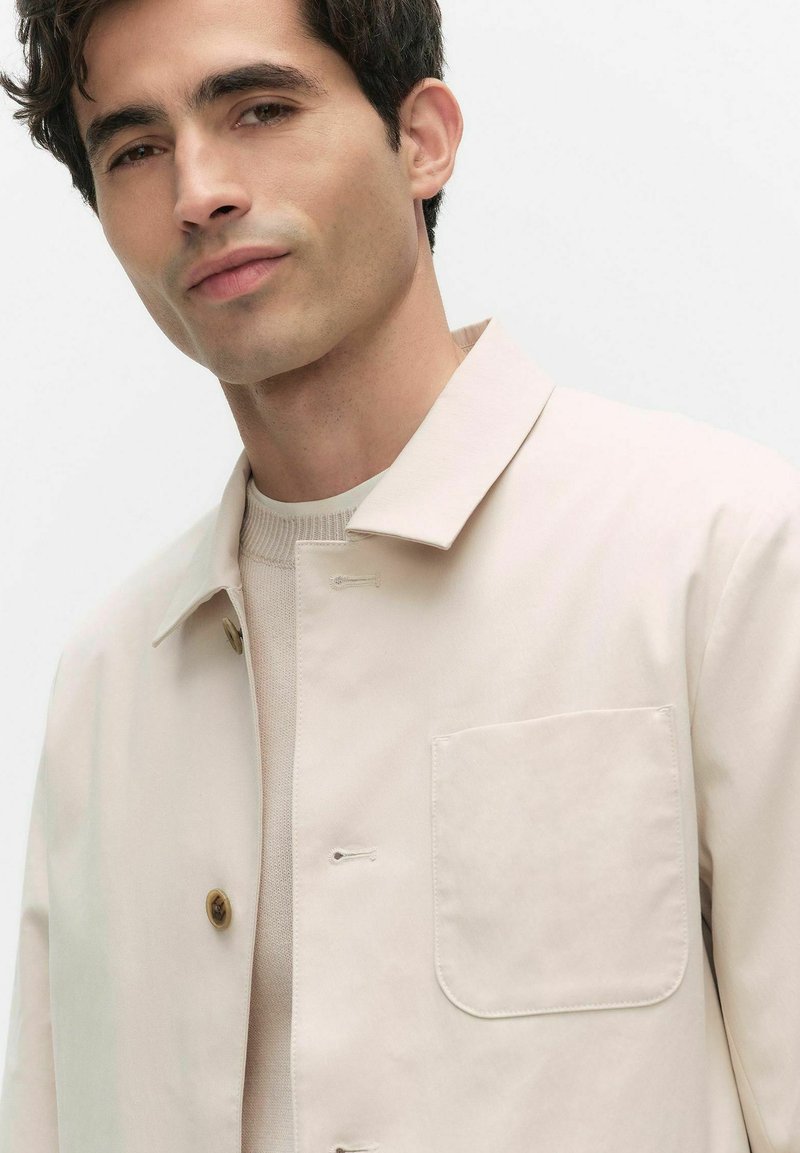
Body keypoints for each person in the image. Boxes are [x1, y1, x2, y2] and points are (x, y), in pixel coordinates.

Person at [0, 0, 798, 1150]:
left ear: (420, 139)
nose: (198, 192)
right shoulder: (107, 683)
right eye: (134, 149)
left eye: (259, 109)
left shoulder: (716, 558)